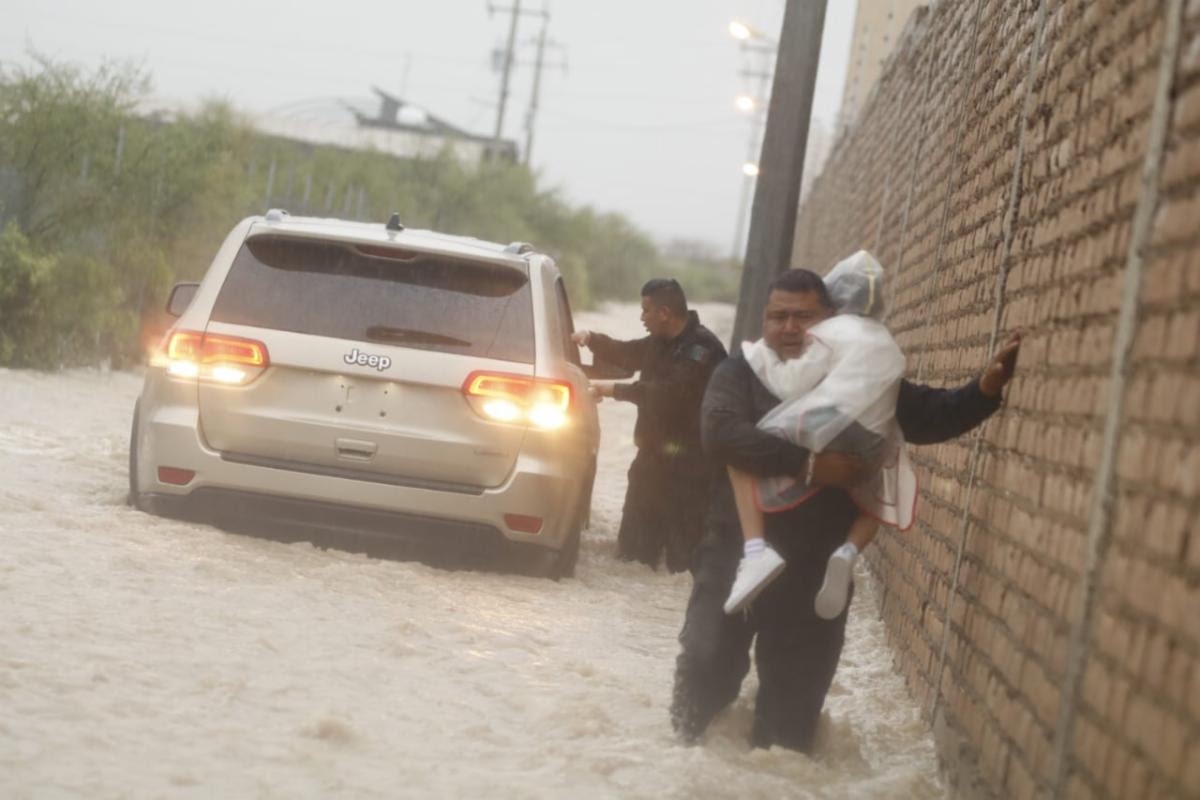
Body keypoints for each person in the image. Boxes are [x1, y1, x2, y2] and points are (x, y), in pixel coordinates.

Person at [670, 267, 1020, 751]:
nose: (789, 328)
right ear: (764, 320)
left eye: (803, 317)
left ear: (834, 320)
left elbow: (927, 416)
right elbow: (721, 434)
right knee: (702, 679)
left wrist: (984, 390)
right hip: (736, 555)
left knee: (789, 728)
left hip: (815, 568)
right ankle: (687, 772)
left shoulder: (860, 379)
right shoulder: (740, 372)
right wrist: (810, 465)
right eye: (777, 316)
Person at [723, 251, 914, 619]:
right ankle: (848, 551)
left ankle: (756, 550)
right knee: (875, 492)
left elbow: (791, 384)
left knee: (742, 453)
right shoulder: (888, 342)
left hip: (828, 425)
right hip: (872, 442)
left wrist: (758, 354)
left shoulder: (829, 333)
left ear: (833, 299)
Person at [571, 278, 727, 572]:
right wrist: (590, 338)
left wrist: (614, 390)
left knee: (680, 562)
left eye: (646, 310)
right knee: (632, 556)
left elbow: (670, 394)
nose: (642, 317)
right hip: (651, 462)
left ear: (664, 313)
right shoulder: (659, 341)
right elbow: (627, 353)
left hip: (691, 471)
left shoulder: (703, 350)